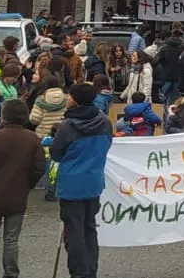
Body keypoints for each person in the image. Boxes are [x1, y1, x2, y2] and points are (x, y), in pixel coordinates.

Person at [0, 98, 44, 278]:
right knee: (11, 240)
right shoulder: (31, 138)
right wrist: (28, 184)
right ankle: (11, 273)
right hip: (17, 195)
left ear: (4, 115)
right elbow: (39, 168)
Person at [50, 82, 115, 278]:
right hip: (93, 181)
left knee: (74, 230)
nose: (67, 98)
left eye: (69, 95)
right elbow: (108, 144)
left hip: (71, 184)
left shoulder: (67, 126)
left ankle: (79, 272)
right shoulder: (104, 121)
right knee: (89, 228)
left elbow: (56, 154)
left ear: (75, 99)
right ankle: (91, 269)